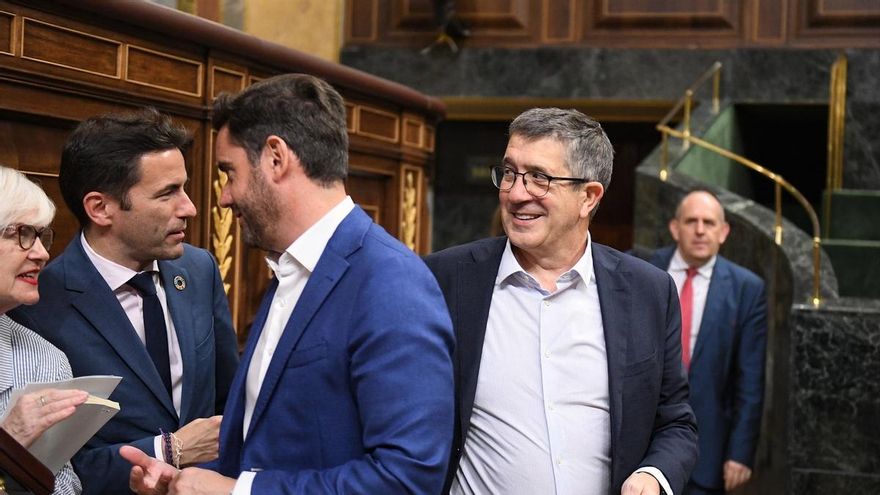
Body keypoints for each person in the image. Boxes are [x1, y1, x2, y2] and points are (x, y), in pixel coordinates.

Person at [121, 73, 455, 494]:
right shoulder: (290, 269)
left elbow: (407, 480)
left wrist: (236, 493)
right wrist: (187, 480)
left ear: (276, 158)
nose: (224, 197)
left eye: (230, 172)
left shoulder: (392, 285)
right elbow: (274, 448)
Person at [425, 107, 698, 495]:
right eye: (509, 173)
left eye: (539, 178)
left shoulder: (648, 292)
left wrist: (653, 475)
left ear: (588, 197)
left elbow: (675, 422)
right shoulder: (445, 280)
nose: (517, 194)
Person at [9, 110, 239, 493]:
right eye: (168, 193)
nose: (190, 208)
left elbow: (228, 400)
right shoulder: (38, 304)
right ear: (100, 209)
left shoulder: (199, 270)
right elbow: (57, 467)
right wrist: (168, 451)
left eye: (184, 188)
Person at [649, 189, 767, 495]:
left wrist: (740, 453)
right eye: (691, 221)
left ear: (723, 232)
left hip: (708, 452)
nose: (700, 230)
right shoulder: (644, 270)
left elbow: (750, 380)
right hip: (642, 444)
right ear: (675, 228)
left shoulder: (747, 289)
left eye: (709, 223)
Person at [0, 165, 88, 494]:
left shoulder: (44, 360)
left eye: (40, 236)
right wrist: (8, 447)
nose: (42, 253)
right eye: (21, 234)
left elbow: (65, 484)